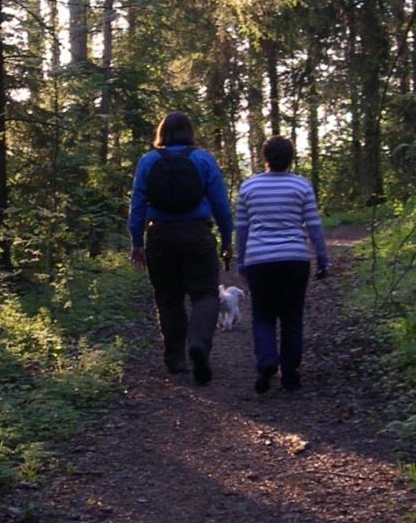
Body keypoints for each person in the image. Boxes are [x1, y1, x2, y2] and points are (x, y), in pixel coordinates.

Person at [128, 111, 233, 385]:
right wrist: (227, 238)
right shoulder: (203, 159)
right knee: (205, 293)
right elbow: (220, 202)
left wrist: (136, 241)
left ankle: (176, 359)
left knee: (168, 297)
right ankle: (198, 343)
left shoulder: (148, 161)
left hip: (160, 236)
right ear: (190, 132)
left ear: (162, 132)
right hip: (197, 234)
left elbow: (137, 203)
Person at [234, 135, 329, 394]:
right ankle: (291, 376)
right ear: (291, 158)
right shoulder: (302, 186)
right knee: (291, 316)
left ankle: (266, 361)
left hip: (259, 260)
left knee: (263, 315)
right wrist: (322, 258)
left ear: (265, 158)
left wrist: (241, 260)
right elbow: (314, 226)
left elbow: (241, 229)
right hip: (295, 259)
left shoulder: (248, 187)